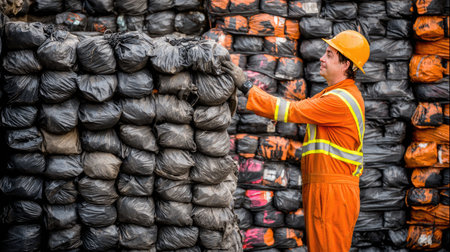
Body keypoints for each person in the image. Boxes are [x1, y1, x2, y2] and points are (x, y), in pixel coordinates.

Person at [222, 30, 370, 252]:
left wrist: (246, 86)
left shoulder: (340, 101)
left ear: (346, 64)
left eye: (329, 54)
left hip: (332, 190)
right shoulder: (333, 95)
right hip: (325, 187)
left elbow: (288, 110)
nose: (322, 58)